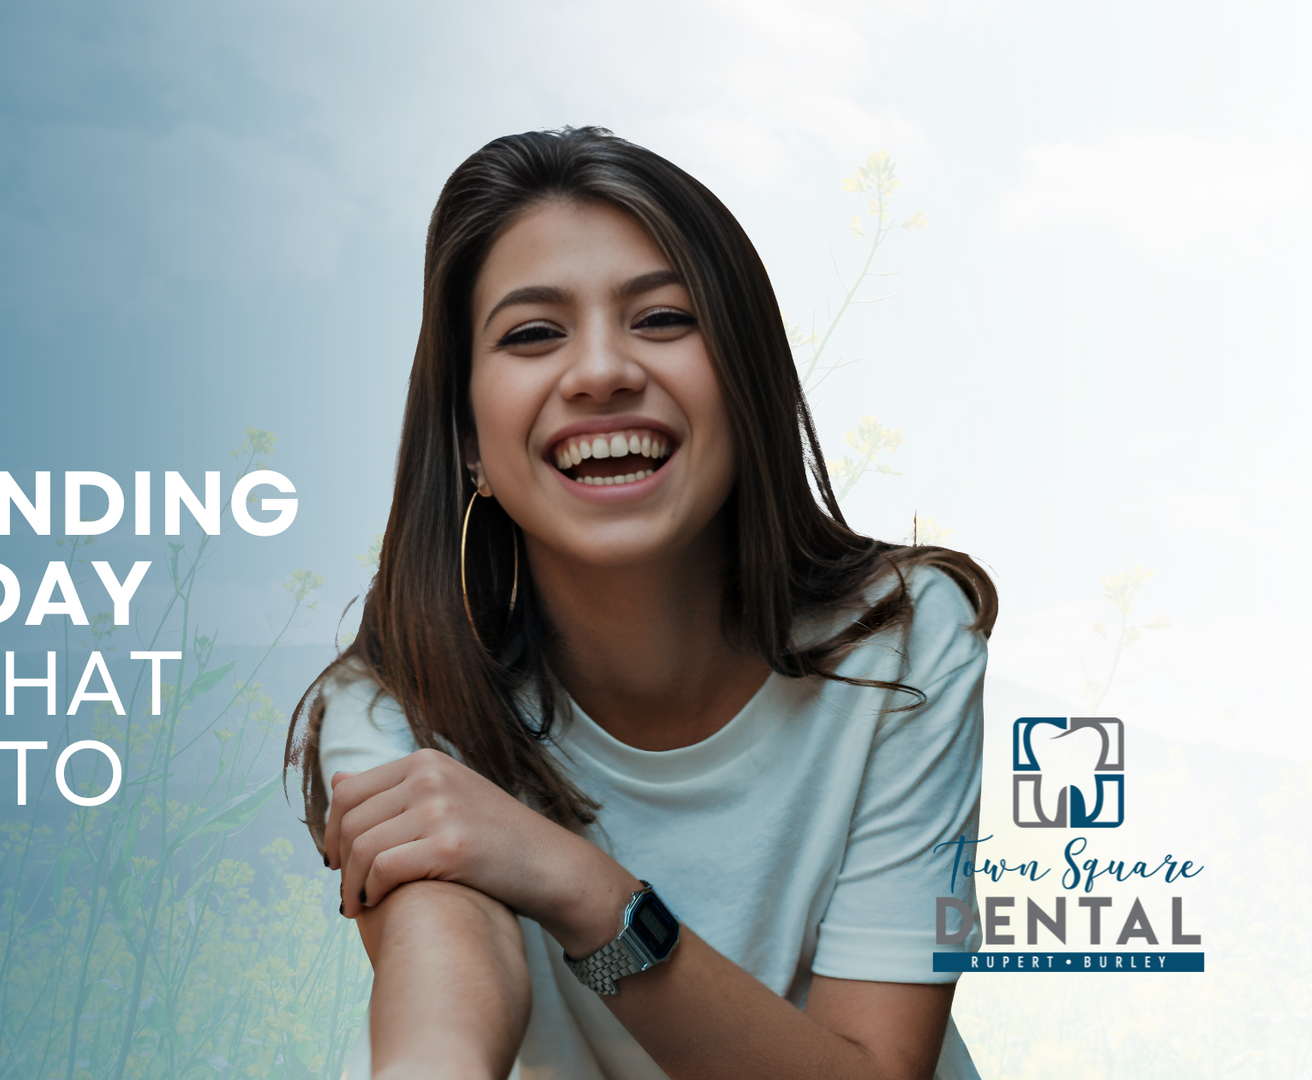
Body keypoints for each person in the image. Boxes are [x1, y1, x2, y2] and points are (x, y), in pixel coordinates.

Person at [286, 127, 996, 1080]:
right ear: (466, 440)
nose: (601, 372)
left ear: (747, 382)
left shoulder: (905, 643)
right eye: (533, 333)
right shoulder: (395, 710)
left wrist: (577, 883)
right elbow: (447, 987)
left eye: (662, 318)